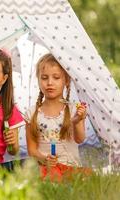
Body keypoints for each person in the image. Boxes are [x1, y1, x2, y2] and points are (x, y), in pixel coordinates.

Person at [25, 53, 91, 182]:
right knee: (50, 177)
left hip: (71, 168)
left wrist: (77, 121)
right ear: (38, 80)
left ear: (66, 80)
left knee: (90, 175)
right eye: (44, 78)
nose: (50, 83)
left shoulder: (73, 110)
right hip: (47, 167)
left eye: (56, 77)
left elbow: (80, 139)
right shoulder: (32, 113)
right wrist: (45, 160)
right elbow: (32, 150)